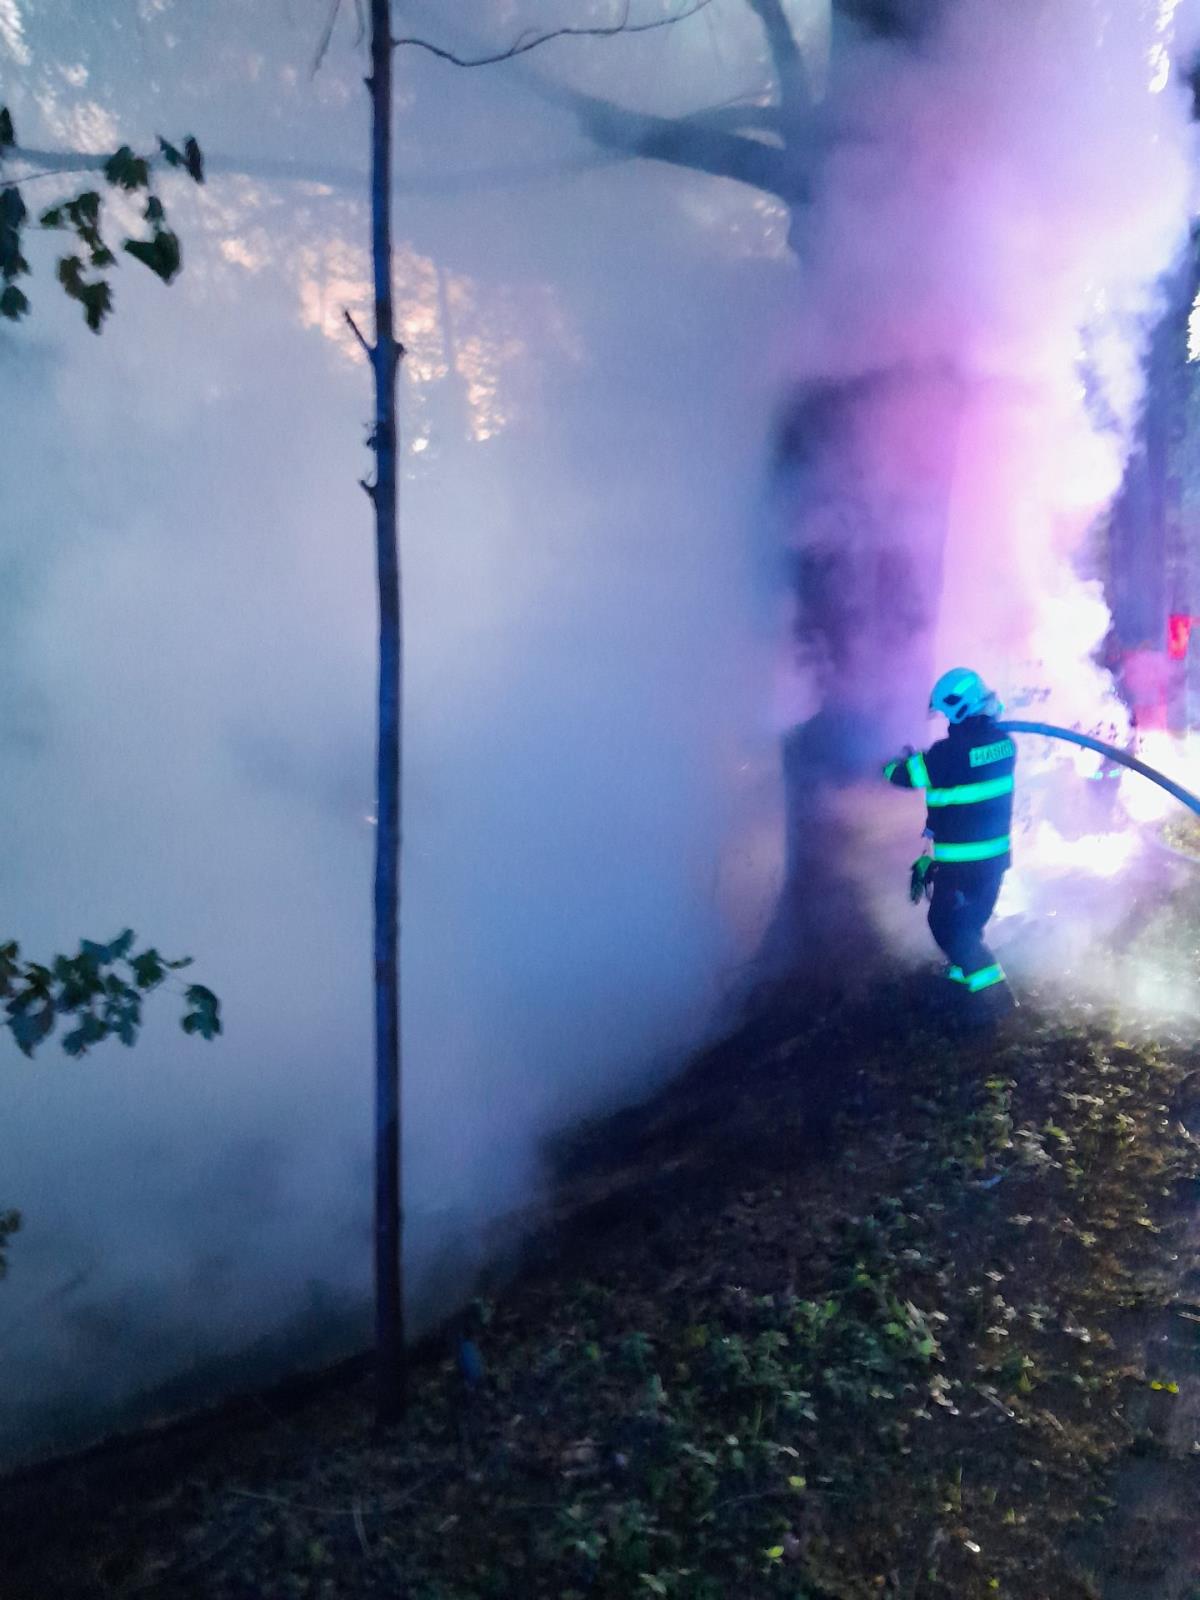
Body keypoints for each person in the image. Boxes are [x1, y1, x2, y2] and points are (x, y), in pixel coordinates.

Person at [883, 669, 1015, 1012]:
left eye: (945, 712)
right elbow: (957, 772)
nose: (943, 720)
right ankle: (961, 993)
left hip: (961, 864)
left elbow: (905, 775)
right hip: (994, 860)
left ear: (959, 708)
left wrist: (887, 765)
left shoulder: (948, 753)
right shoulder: (1005, 744)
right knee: (969, 924)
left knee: (946, 926)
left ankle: (997, 998)